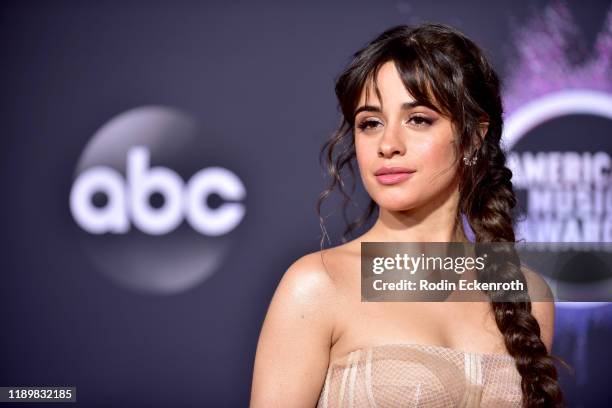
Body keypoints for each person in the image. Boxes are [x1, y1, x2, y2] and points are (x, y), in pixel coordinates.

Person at [250, 23, 564, 407]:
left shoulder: (527, 296)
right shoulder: (318, 286)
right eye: (370, 123)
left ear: (472, 137)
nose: (388, 145)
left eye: (418, 120)